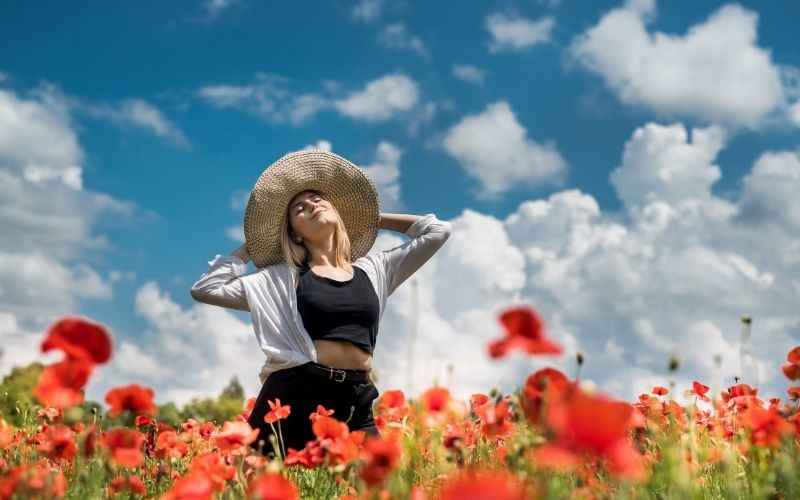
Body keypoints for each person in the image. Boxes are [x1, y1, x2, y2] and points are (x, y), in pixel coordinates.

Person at [190, 150, 451, 455]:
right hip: (296, 391)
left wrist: (370, 217)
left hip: (355, 394)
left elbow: (437, 231)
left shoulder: (377, 269)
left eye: (317, 199)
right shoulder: (280, 280)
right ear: (295, 234)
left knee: (373, 485)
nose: (311, 205)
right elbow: (206, 288)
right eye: (299, 209)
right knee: (266, 487)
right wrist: (254, 244)